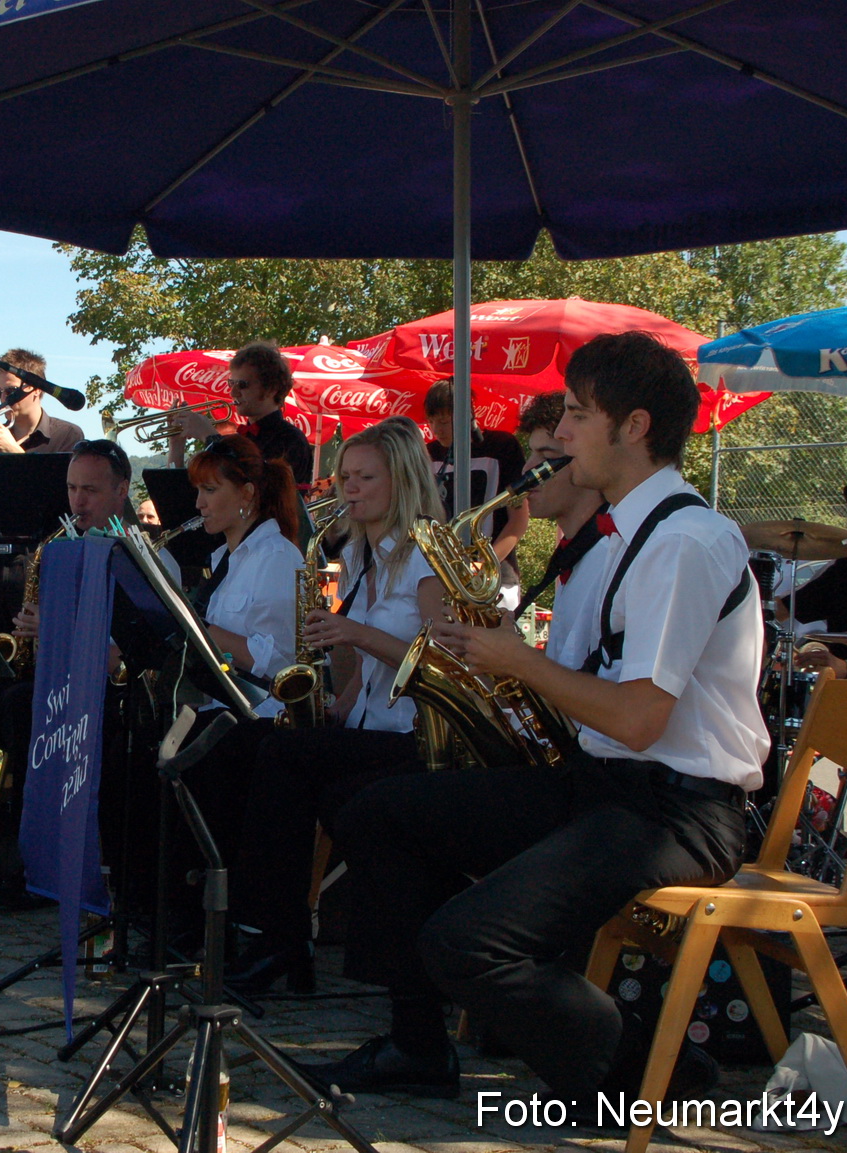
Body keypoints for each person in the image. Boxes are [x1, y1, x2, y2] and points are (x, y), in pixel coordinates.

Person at [304, 332, 766, 1112]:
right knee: (379, 812)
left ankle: (655, 1071)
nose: (565, 435)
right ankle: (418, 1045)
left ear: (635, 426)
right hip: (604, 786)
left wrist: (515, 662)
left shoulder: (683, 541)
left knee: (465, 940)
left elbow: (642, 718)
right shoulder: (624, 538)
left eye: (581, 416)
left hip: (676, 810)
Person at [227, 419, 445, 993]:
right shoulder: (355, 556)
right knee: (249, 742)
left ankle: (279, 939)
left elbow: (440, 665)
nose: (349, 488)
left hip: (418, 737)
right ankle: (266, 931)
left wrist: (352, 632)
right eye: (345, 476)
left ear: (403, 481)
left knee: (283, 758)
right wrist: (336, 700)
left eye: (365, 477)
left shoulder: (429, 558)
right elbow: (362, 679)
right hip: (372, 727)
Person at [0, 439, 136, 896]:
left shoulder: (137, 555)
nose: (78, 501)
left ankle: (26, 859)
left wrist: (54, 628)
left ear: (121, 491)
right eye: (71, 489)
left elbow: (122, 656)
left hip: (106, 695)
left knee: (21, 709)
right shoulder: (61, 549)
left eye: (91, 490)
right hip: (54, 683)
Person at [168, 435, 303, 901]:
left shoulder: (277, 557)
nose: (199, 503)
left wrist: (195, 627)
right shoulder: (226, 559)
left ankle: (200, 907)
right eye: (198, 491)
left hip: (260, 718)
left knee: (188, 755)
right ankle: (166, 904)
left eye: (210, 491)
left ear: (246, 494)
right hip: (221, 708)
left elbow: (279, 662)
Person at [514, 391, 611, 670]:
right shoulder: (576, 551)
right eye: (531, 452)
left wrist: (514, 660)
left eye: (546, 455)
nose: (528, 468)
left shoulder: (607, 555)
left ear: (581, 459)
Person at [423, 379, 530, 609]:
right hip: (443, 578)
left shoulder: (502, 446)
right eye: (431, 421)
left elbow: (519, 519)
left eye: (443, 420)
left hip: (497, 578)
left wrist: (484, 564)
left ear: (466, 415)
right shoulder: (428, 454)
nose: (436, 429)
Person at [172, 342, 315, 487]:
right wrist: (176, 444)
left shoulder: (291, 440)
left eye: (243, 385)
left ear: (271, 389)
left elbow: (251, 489)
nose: (233, 392)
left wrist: (210, 437)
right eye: (231, 383)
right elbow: (197, 496)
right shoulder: (240, 439)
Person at [0, 350, 83, 454]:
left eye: (10, 391)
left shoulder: (67, 434)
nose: (3, 398)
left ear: (37, 389)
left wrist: (13, 452)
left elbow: (60, 480)